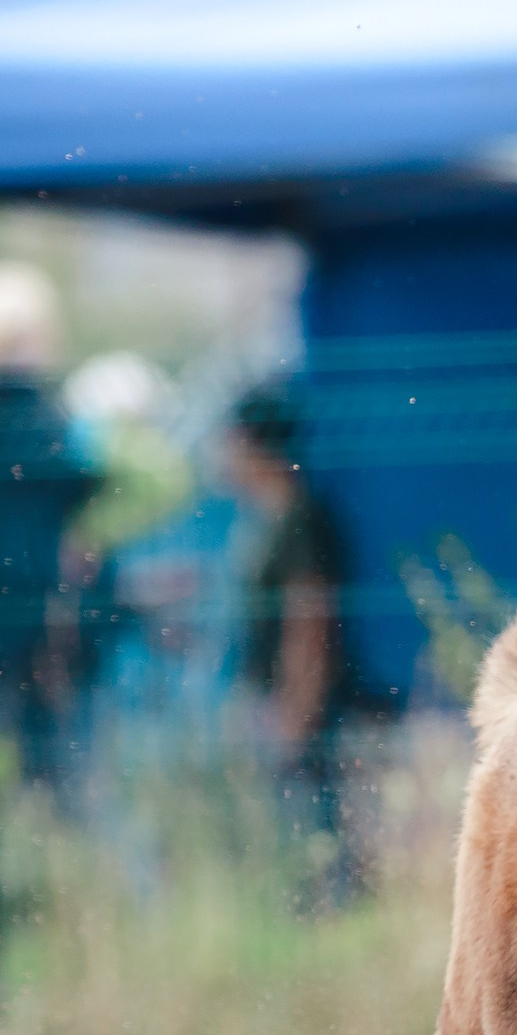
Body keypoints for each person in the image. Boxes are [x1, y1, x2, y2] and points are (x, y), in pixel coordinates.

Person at [0, 267, 189, 781]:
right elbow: (165, 476)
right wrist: (88, 531)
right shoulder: (70, 428)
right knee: (63, 783)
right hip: (58, 644)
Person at [226, 386, 363, 908]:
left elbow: (310, 619)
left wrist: (297, 705)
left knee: (312, 819)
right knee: (292, 820)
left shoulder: (298, 517)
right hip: (273, 698)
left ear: (252, 444)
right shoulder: (267, 518)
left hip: (299, 703)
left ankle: (328, 910)